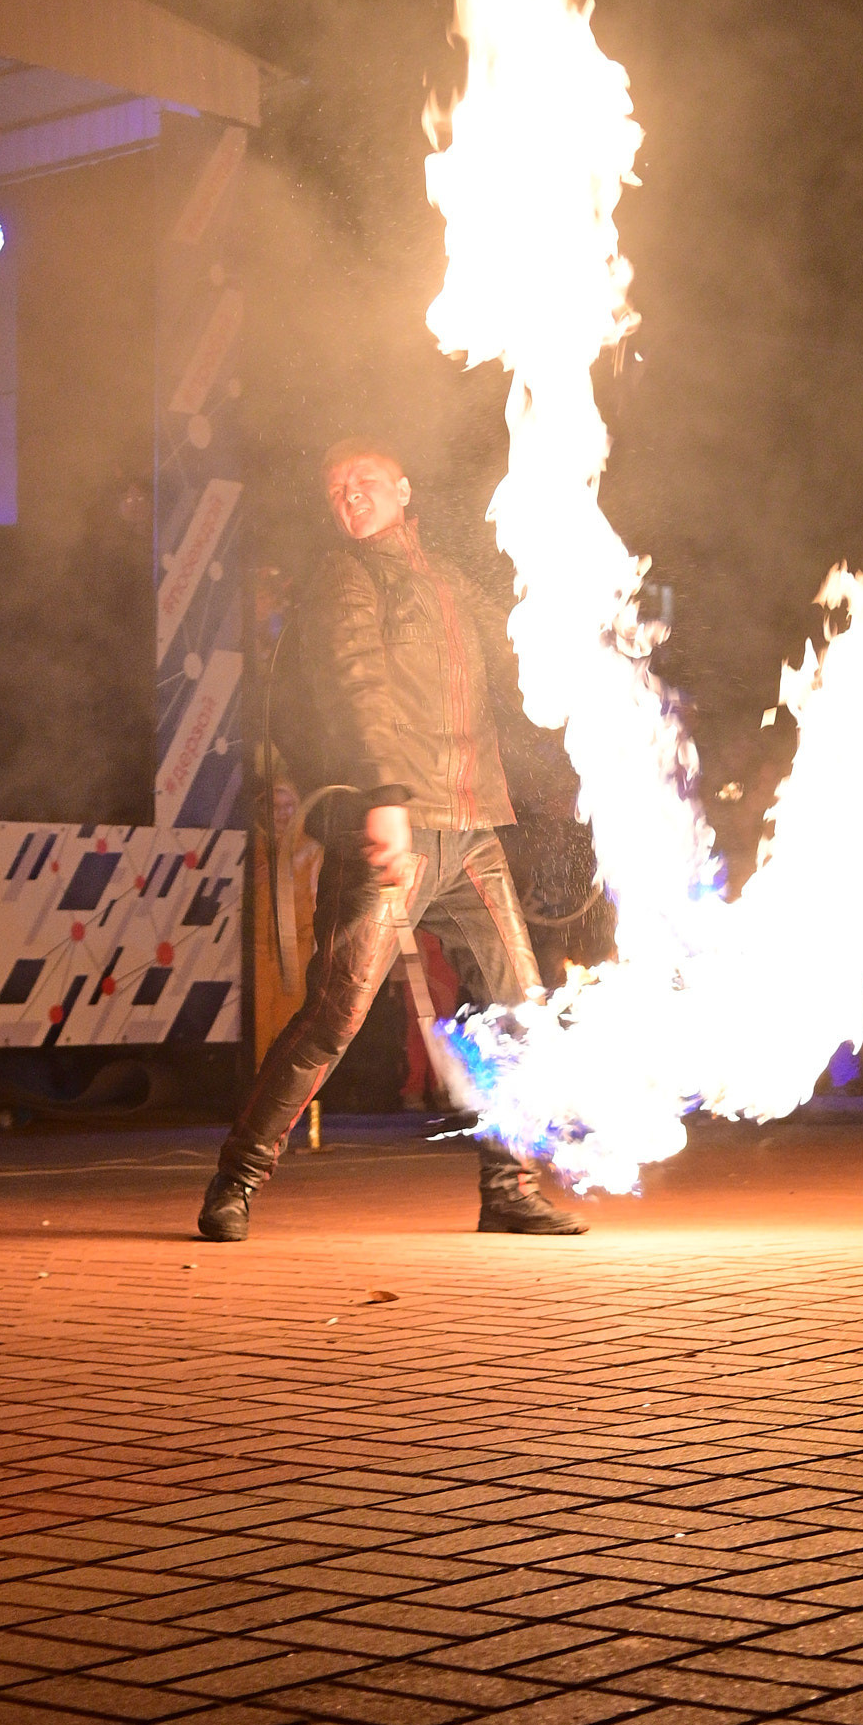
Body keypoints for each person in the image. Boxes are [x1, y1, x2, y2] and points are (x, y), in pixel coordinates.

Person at [196, 443, 579, 1241]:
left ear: (404, 490)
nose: (349, 497)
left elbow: (515, 658)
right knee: (336, 1015)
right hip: (396, 822)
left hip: (472, 825)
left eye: (364, 482)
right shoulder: (347, 579)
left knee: (517, 1008)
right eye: (335, 488)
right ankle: (236, 1178)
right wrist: (388, 798)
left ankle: (509, 1186)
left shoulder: (445, 580)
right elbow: (359, 686)